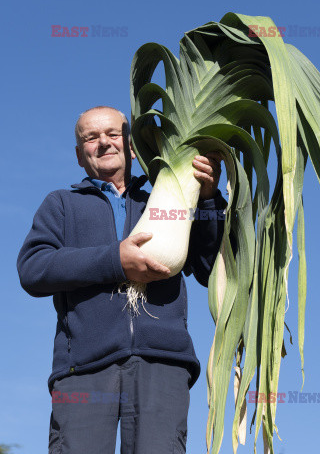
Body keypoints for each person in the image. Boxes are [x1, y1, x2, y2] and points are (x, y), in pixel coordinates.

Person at [17, 106, 227, 454]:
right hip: (82, 368)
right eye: (91, 137)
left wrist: (206, 200)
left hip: (163, 362)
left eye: (113, 134)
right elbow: (33, 268)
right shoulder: (61, 205)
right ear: (79, 154)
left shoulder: (162, 198)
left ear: (131, 146)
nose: (103, 143)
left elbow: (206, 268)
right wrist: (116, 260)